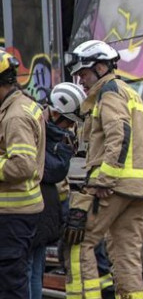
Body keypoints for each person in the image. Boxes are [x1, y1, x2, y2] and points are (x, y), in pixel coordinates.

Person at [63, 40, 143, 299]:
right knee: (127, 258)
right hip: (138, 189)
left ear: (101, 68)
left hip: (114, 187)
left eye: (83, 73)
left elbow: (120, 134)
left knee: (78, 243)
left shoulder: (109, 92)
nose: (81, 81)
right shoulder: (129, 91)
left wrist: (105, 179)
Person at [29, 82, 85, 299]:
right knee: (29, 271)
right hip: (33, 210)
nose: (70, 128)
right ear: (55, 113)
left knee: (33, 270)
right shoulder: (41, 130)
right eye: (68, 121)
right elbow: (53, 172)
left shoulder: (56, 136)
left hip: (42, 212)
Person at [0, 49, 46, 299]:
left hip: (12, 215)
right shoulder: (20, 106)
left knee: (10, 286)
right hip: (20, 212)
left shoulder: (15, 117)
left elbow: (22, 166)